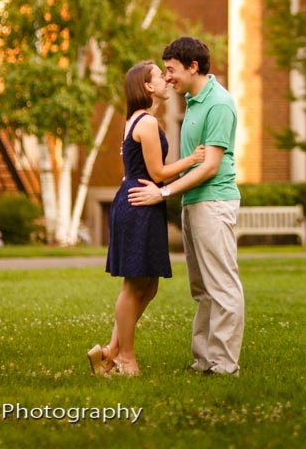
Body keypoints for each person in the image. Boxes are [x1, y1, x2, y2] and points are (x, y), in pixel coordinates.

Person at [128, 36, 243, 376]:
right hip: (195, 203)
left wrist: (162, 194)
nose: (169, 77)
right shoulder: (194, 102)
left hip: (214, 201)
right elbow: (192, 163)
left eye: (171, 69)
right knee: (202, 289)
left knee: (222, 285)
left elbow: (209, 166)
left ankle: (224, 364)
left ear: (193, 67)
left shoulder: (219, 104)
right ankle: (205, 359)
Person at [89, 60, 204, 377]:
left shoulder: (136, 120)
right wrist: (191, 160)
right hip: (140, 205)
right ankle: (125, 357)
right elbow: (157, 173)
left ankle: (110, 351)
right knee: (133, 286)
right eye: (159, 76)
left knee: (149, 286)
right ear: (147, 87)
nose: (167, 80)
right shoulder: (147, 123)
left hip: (143, 203)